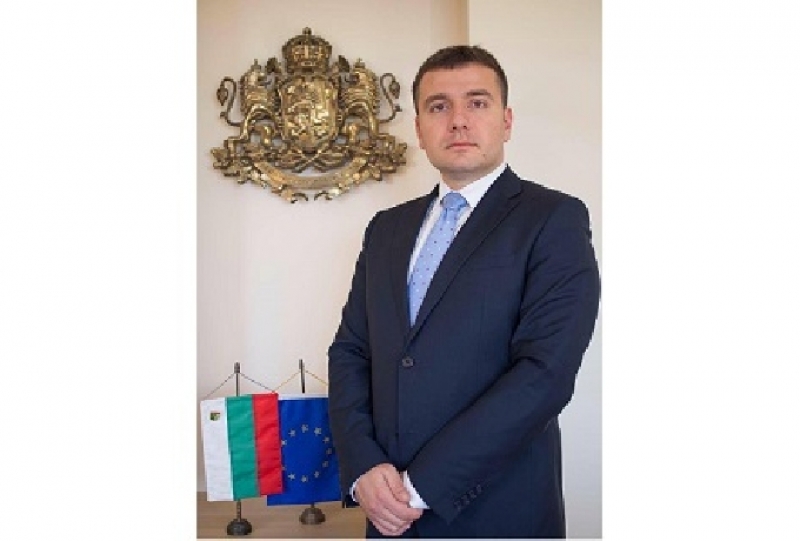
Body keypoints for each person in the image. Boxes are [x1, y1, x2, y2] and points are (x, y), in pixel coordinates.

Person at [328, 44, 601, 538]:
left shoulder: (553, 219)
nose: (458, 120)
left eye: (477, 102)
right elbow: (351, 350)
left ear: (506, 121)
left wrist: (421, 486)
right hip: (385, 509)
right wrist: (363, 464)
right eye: (439, 106)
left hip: (498, 509)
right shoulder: (386, 228)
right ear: (419, 129)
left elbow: (545, 373)